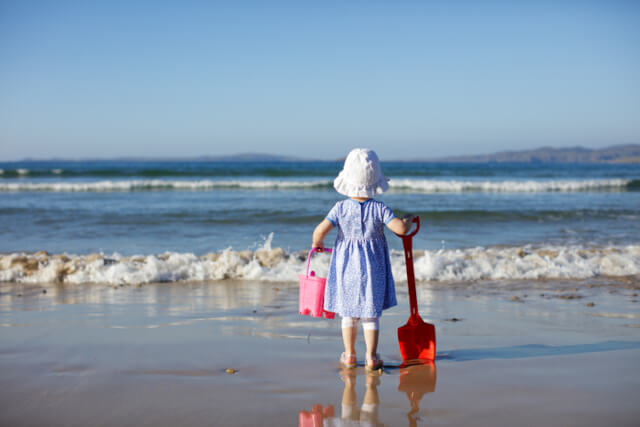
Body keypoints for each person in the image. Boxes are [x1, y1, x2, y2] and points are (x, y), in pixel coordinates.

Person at [312, 148, 414, 371]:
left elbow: (320, 230)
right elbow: (400, 229)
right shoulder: (379, 208)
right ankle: (371, 357)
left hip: (346, 266)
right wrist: (407, 222)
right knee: (370, 312)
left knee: (348, 312)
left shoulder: (339, 208)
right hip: (373, 267)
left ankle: (349, 355)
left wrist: (317, 244)